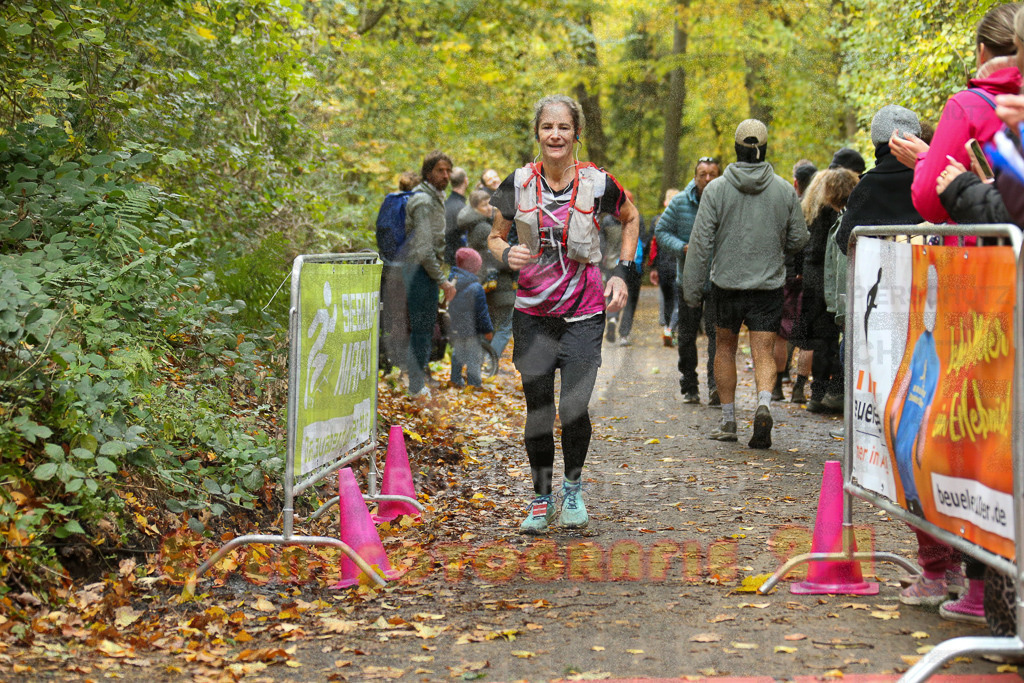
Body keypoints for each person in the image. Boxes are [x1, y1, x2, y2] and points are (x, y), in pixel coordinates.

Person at [488, 94, 639, 533]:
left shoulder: (599, 182)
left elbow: (631, 219)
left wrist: (621, 273)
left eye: (564, 127)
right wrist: (506, 253)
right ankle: (541, 498)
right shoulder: (517, 183)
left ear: (577, 134)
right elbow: (494, 237)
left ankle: (572, 490)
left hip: (584, 315)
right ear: (537, 133)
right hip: (533, 315)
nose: (555, 135)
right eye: (547, 127)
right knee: (539, 409)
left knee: (573, 407)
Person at [681, 119, 808, 449]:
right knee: (763, 350)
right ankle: (764, 404)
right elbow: (799, 238)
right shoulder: (784, 190)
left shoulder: (716, 190)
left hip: (726, 285)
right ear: (764, 148)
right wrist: (776, 246)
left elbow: (700, 243)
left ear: (736, 149)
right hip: (768, 286)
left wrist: (691, 291)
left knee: (724, 348)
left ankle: (728, 421)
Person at [890, 3, 1022, 232]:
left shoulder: (964, 106)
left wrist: (924, 159)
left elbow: (931, 204)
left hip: (981, 248)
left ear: (982, 52)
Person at [794, 160, 860, 416]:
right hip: (830, 273)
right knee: (836, 334)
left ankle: (818, 393)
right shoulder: (840, 212)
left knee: (820, 339)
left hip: (812, 273)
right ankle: (834, 391)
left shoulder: (811, 205)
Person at [656, 157, 722, 404]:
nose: (707, 178)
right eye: (703, 174)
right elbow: (662, 232)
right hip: (688, 279)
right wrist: (682, 248)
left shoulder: (726, 202)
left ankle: (716, 386)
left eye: (712, 174)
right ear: (695, 177)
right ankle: (690, 385)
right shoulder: (680, 202)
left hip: (719, 280)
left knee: (718, 335)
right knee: (686, 335)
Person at [404, 151, 457, 396]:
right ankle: (416, 386)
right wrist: (443, 280)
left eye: (448, 171)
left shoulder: (434, 198)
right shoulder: (424, 201)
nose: (445, 175)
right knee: (421, 330)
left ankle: (418, 383)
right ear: (428, 173)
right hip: (419, 273)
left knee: (424, 329)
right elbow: (424, 249)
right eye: (440, 170)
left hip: (426, 273)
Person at [462, 190, 517, 359]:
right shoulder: (485, 229)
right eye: (484, 205)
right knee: (505, 327)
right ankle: (488, 363)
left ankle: (480, 362)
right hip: (499, 284)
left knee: (491, 326)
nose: (490, 208)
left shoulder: (475, 227)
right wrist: (514, 260)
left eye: (490, 203)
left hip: (487, 283)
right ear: (475, 208)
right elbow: (498, 258)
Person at [785, 161, 818, 404]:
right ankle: (799, 386)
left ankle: (777, 383)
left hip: (789, 275)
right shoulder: (821, 207)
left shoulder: (791, 206)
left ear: (796, 182)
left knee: (783, 329)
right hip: (813, 275)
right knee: (808, 335)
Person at [448, 247, 494, 388]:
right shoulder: (476, 288)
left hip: (456, 327)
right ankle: (474, 383)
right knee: (474, 356)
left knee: (458, 354)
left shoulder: (451, 284)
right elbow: (482, 313)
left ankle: (455, 380)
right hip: (472, 329)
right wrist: (487, 330)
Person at [648, 189, 680, 347]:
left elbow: (653, 246)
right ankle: (670, 329)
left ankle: (668, 328)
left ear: (665, 202)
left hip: (662, 266)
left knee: (667, 300)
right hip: (678, 265)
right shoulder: (683, 221)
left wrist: (653, 268)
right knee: (678, 300)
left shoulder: (657, 221)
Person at [444, 167, 469, 265]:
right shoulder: (462, 208)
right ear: (465, 181)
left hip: (445, 257)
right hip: (457, 260)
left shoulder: (445, 204)